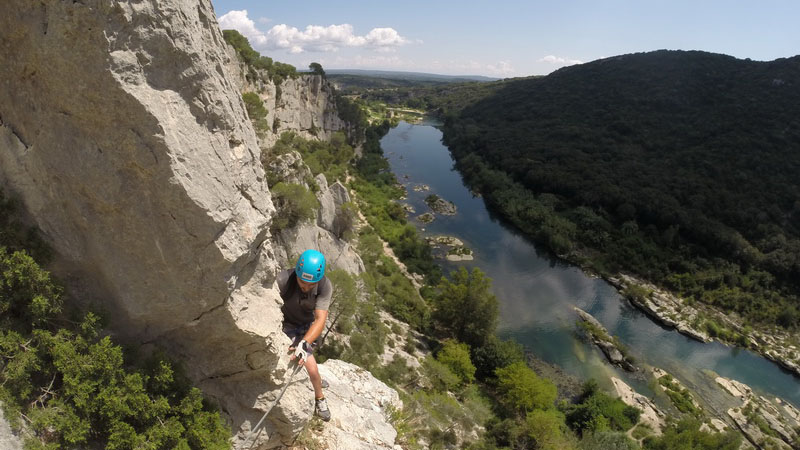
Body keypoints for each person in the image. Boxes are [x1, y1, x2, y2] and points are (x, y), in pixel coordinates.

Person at [277, 249, 332, 421]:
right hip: (288, 325)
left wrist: (305, 342)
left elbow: (320, 319)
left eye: (311, 284)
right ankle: (317, 386)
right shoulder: (283, 280)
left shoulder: (324, 285)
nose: (305, 287)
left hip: (308, 327)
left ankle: (319, 398)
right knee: (312, 367)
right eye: (302, 281)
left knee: (312, 368)